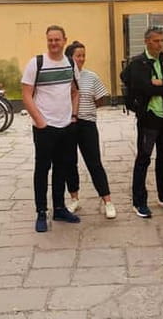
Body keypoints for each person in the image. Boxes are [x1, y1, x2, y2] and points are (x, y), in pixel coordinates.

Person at [22, 25, 81, 232]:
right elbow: (26, 95)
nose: (53, 43)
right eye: (50, 40)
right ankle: (41, 212)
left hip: (66, 125)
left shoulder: (69, 62)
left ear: (65, 40)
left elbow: (75, 91)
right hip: (45, 126)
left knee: (62, 168)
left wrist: (73, 115)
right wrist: (40, 121)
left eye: (57, 40)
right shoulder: (36, 63)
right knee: (42, 169)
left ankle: (59, 207)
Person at [127, 26, 163, 218]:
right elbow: (145, 88)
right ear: (147, 41)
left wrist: (160, 82)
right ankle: (139, 201)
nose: (160, 44)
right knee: (144, 157)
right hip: (149, 115)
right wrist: (162, 83)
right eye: (156, 41)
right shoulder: (139, 63)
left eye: (162, 41)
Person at [63, 41, 117, 219]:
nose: (81, 59)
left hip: (87, 123)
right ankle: (74, 198)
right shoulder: (62, 77)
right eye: (78, 56)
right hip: (68, 124)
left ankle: (107, 200)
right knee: (69, 163)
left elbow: (101, 97)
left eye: (83, 55)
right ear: (69, 57)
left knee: (94, 162)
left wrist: (89, 108)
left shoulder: (91, 77)